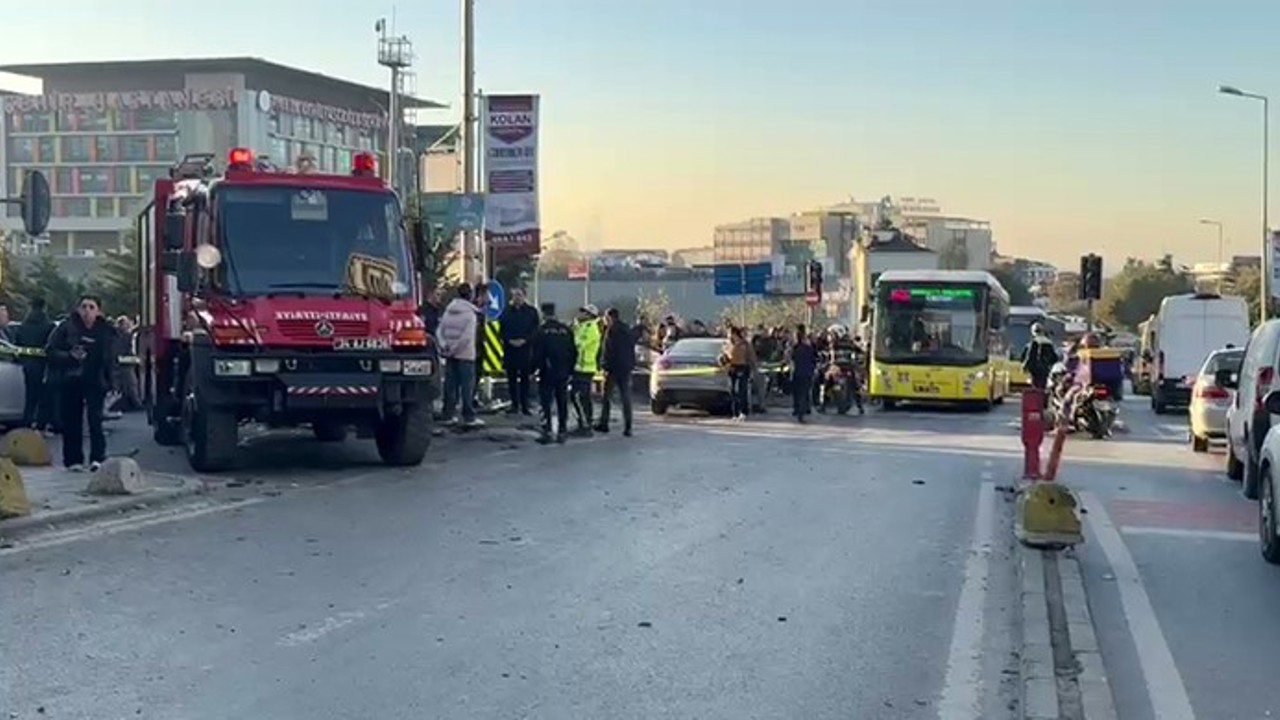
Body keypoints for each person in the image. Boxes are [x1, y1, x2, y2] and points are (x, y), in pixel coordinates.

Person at [46, 295, 116, 471]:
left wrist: (113, 382)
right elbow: (51, 350)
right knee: (72, 421)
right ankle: (73, 460)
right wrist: (69, 356)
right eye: (84, 307)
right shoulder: (66, 327)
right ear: (78, 309)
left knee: (95, 420)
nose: (87, 311)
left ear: (98, 311)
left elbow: (112, 359)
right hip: (71, 378)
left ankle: (98, 458)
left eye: (91, 307)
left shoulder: (105, 330)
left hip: (95, 379)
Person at [437, 283, 483, 428]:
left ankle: (448, 414)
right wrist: (456, 349)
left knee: (450, 386)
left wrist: (445, 347)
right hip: (465, 355)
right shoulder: (470, 315)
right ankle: (468, 416)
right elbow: (467, 338)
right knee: (467, 387)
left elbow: (440, 331)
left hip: (449, 355)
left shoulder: (448, 311)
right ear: (470, 296)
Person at [530, 302, 576, 444]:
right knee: (562, 401)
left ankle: (547, 431)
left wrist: (532, 370)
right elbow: (573, 352)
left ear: (543, 314)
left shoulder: (541, 331)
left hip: (546, 372)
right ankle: (562, 431)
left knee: (545, 403)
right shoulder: (566, 330)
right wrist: (570, 370)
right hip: (562, 372)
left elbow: (537, 353)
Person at [13, 297, 54, 429]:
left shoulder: (23, 326)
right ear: (44, 308)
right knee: (45, 398)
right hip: (44, 366)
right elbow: (52, 346)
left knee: (30, 398)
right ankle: (41, 425)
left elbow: (17, 345)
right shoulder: (48, 326)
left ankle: (27, 424)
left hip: (26, 365)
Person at [596, 307, 635, 436]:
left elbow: (608, 350)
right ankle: (628, 426)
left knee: (606, 397)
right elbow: (631, 348)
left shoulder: (611, 330)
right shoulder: (627, 329)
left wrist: (604, 365)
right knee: (626, 398)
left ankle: (604, 423)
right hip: (626, 368)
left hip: (613, 369)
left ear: (609, 317)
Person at [500, 288, 540, 416]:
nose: (517, 297)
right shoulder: (507, 312)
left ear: (524, 296)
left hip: (526, 350)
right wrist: (509, 340)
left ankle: (525, 405)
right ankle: (514, 404)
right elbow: (501, 329)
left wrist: (525, 340)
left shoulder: (531, 312)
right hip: (510, 349)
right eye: (515, 295)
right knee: (511, 379)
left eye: (519, 295)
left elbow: (535, 330)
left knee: (525, 379)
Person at [570, 305, 603, 435]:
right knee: (576, 396)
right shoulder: (583, 326)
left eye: (583, 312)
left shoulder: (591, 328)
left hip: (585, 367)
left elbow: (579, 344)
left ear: (590, 315)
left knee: (582, 397)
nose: (580, 313)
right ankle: (582, 423)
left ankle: (586, 424)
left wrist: (575, 331)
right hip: (579, 367)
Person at [720, 325, 757, 421]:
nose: (728, 335)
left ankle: (743, 411)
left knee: (741, 390)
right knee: (732, 391)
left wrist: (753, 369)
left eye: (730, 333)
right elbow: (723, 356)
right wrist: (723, 361)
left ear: (734, 334)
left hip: (742, 367)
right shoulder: (727, 344)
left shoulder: (745, 344)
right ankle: (734, 412)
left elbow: (751, 357)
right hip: (732, 368)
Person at [788, 324, 818, 423]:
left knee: (797, 392)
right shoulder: (809, 348)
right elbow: (814, 359)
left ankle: (798, 410)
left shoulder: (795, 348)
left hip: (797, 372)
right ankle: (802, 411)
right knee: (804, 393)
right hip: (807, 372)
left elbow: (791, 358)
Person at [1021, 322, 1059, 392]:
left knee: (1035, 387)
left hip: (1034, 370)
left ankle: (1036, 401)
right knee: (1043, 387)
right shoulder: (1048, 342)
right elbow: (1054, 358)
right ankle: (1042, 401)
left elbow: (1029, 356)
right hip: (1045, 369)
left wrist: (1025, 366)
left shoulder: (1033, 342)